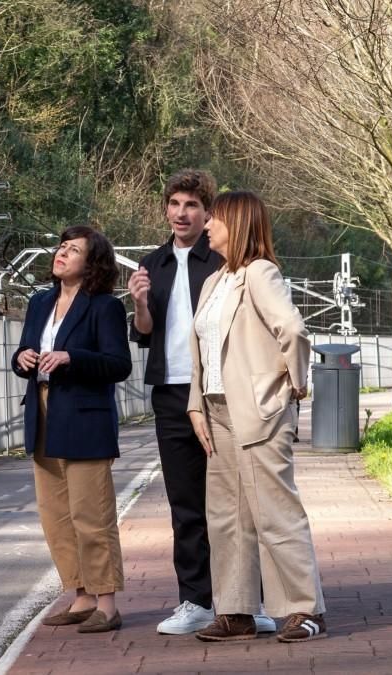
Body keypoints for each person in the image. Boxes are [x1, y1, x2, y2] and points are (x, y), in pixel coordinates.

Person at [128, 170, 275, 635]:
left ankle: (250, 601)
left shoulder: (226, 261)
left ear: (208, 212)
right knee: (186, 504)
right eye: (174, 204)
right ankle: (196, 601)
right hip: (172, 396)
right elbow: (144, 335)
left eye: (191, 205)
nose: (181, 213)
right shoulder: (152, 265)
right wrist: (140, 306)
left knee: (240, 502)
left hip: (223, 392)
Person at [187, 190, 327, 642]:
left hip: (259, 412)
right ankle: (236, 612)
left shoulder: (260, 273)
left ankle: (305, 611)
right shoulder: (213, 282)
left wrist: (292, 385)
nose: (207, 225)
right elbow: (201, 352)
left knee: (275, 513)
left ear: (239, 223)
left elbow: (293, 329)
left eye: (215, 219)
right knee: (226, 517)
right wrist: (195, 404)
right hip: (217, 410)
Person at [11, 225, 132, 634]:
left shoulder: (104, 307)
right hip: (43, 412)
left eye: (73, 250)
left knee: (91, 515)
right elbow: (23, 351)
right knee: (56, 515)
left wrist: (70, 357)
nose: (61, 253)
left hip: (85, 416)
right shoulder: (39, 302)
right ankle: (79, 595)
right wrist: (22, 357)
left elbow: (119, 365)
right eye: (60, 246)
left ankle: (107, 603)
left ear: (92, 263)